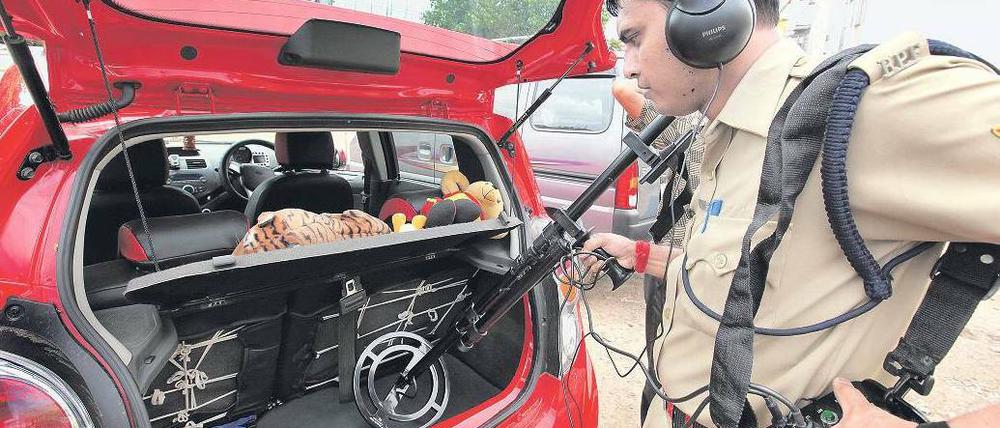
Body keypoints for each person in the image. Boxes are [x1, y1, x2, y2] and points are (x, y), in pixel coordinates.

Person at [582, 0, 1000, 426]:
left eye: (634, 39)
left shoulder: (863, 109)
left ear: (707, 20)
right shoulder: (729, 127)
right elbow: (748, 278)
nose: (629, 68)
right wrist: (642, 256)